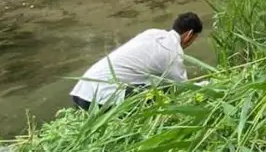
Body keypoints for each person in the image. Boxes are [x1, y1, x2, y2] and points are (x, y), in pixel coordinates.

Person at [69, 12, 203, 111]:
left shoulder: (152, 33)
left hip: (81, 92)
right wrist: (207, 84)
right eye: (194, 38)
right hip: (98, 101)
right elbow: (183, 87)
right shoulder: (172, 51)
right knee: (160, 94)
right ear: (189, 35)